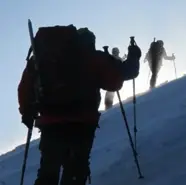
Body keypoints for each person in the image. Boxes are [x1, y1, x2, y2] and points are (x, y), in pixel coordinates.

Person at [18, 26, 141, 185]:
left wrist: (26, 112)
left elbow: (25, 87)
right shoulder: (92, 58)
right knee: (76, 170)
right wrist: (134, 56)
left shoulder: (42, 58)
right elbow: (118, 78)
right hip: (82, 122)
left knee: (48, 172)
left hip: (50, 123)